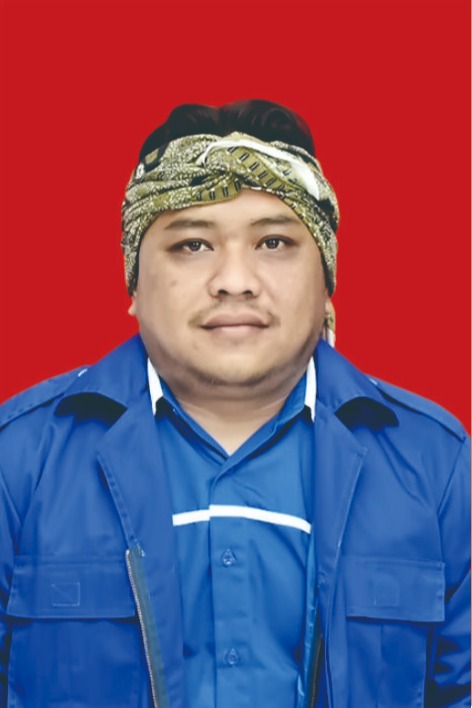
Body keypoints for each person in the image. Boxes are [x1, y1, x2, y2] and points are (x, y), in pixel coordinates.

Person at [0, 99, 469, 708]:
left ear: (326, 278)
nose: (235, 281)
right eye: (193, 245)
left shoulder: (437, 467)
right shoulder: (20, 460)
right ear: (133, 281)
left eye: (273, 242)